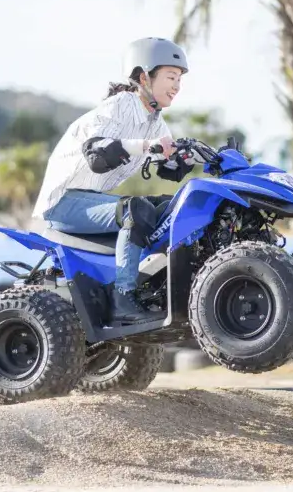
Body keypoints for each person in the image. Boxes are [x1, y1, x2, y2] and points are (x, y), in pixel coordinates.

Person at [31, 37, 194, 324]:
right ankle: (123, 296)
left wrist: (190, 157)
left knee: (171, 207)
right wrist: (147, 146)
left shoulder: (156, 121)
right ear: (144, 77)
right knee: (136, 209)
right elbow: (97, 151)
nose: (177, 85)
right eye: (170, 76)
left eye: (179, 78)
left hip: (92, 202)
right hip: (62, 204)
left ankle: (160, 291)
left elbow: (169, 169)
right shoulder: (119, 106)